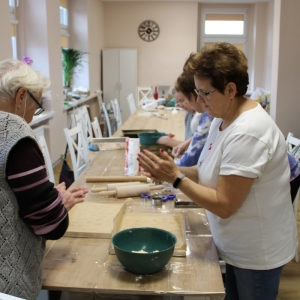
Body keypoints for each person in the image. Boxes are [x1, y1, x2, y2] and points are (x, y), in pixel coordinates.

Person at [138, 42, 297, 300]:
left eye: (205, 93)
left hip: (256, 251)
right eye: (197, 92)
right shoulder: (221, 117)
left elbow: (224, 204)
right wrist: (172, 169)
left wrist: (175, 179)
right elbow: (205, 172)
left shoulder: (248, 132)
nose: (199, 101)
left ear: (231, 89)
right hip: (234, 243)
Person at [0, 59, 88, 299]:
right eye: (35, 106)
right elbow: (51, 225)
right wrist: (59, 204)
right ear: (20, 96)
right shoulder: (13, 132)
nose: (31, 117)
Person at [172, 71, 214, 166]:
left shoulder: (209, 117)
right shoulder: (209, 115)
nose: (199, 100)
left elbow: (187, 163)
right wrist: (188, 143)